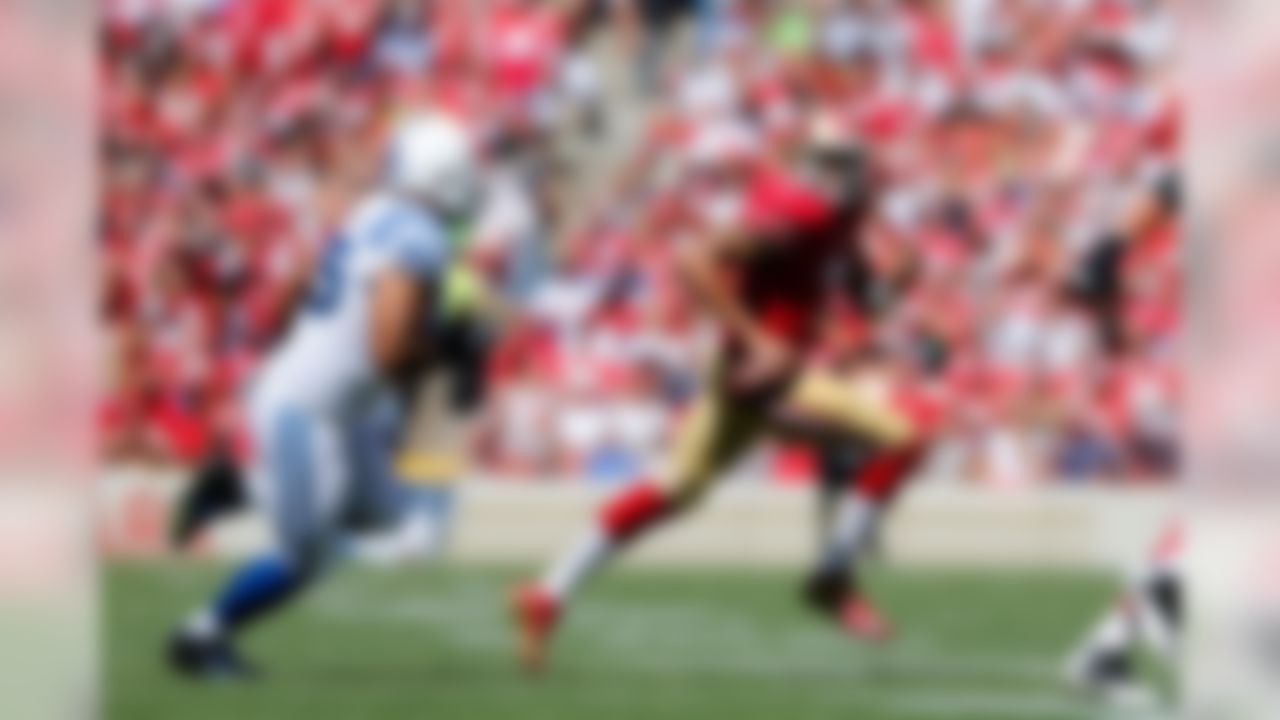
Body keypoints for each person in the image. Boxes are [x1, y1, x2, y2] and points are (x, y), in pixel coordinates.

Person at [510, 117, 932, 672]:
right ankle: (832, 576)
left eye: (843, 163)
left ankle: (547, 594)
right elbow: (693, 257)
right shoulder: (801, 212)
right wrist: (759, 340)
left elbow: (859, 299)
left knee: (675, 490)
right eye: (828, 162)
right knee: (907, 435)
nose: (837, 175)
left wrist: (894, 285)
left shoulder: (841, 216)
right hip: (760, 375)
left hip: (749, 377)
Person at [167, 113, 484, 680]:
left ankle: (238, 485)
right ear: (444, 176)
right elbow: (389, 351)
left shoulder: (374, 212)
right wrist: (448, 349)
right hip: (310, 413)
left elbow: (304, 280)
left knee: (390, 520)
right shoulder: (420, 238)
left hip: (337, 408)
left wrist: (299, 341)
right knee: (302, 560)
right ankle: (202, 634)